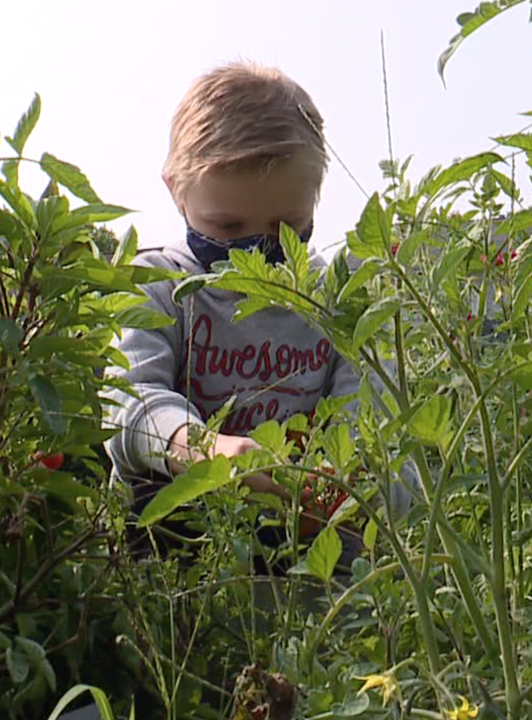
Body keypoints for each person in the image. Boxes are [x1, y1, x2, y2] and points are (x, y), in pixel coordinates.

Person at [101, 61, 415, 563]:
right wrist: (200, 450)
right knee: (149, 507)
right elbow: (128, 404)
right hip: (177, 538)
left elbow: (372, 421)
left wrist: (350, 480)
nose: (255, 250)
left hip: (305, 534)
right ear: (175, 191)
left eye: (286, 226)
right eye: (226, 227)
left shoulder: (336, 305)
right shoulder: (159, 286)